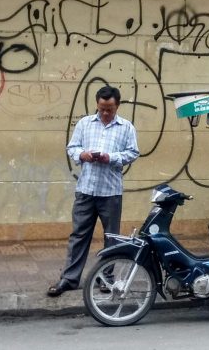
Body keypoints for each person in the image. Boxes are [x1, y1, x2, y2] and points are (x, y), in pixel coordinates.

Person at [47, 85, 139, 297]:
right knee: (79, 235)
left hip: (111, 192)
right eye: (101, 108)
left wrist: (111, 157)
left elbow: (133, 153)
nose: (105, 113)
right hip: (86, 190)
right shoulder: (84, 123)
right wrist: (83, 155)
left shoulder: (126, 127)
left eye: (109, 109)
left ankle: (106, 279)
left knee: (111, 238)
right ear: (97, 105)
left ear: (117, 106)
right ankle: (69, 279)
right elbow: (72, 148)